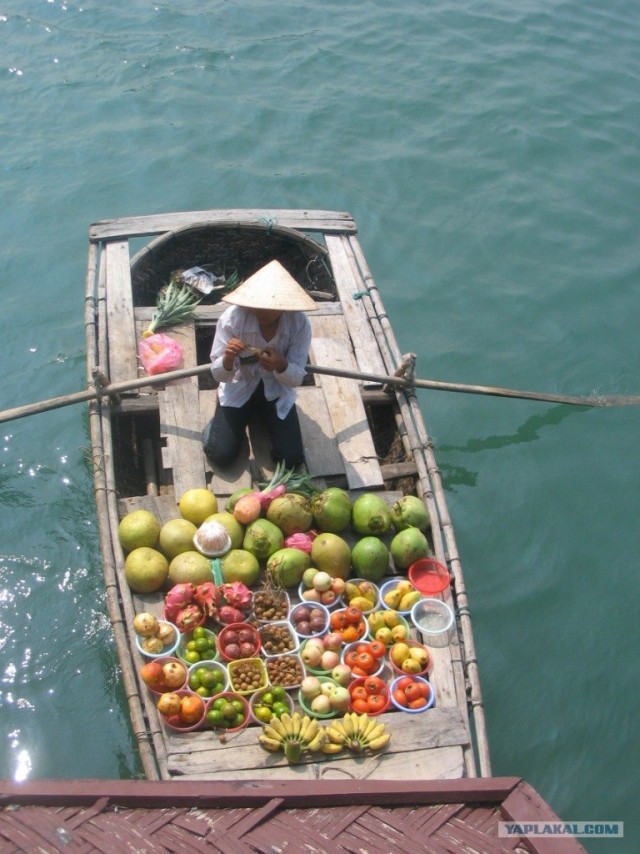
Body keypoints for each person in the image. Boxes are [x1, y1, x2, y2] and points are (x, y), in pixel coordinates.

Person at [202, 259, 317, 469]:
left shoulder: (299, 324)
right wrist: (228, 359)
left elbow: (297, 378)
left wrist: (281, 364)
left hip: (276, 390)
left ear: (283, 307)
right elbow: (218, 374)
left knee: (291, 460)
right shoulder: (232, 319)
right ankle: (219, 428)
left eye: (266, 307)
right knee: (219, 454)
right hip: (239, 387)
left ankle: (262, 421)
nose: (258, 311)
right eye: (254, 305)